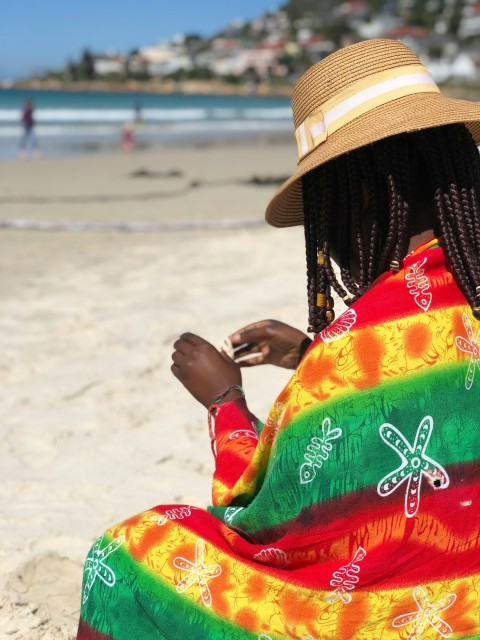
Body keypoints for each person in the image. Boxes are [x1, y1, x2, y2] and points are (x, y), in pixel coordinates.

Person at [76, 39, 480, 640]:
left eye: (324, 206)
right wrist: (307, 356)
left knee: (126, 555)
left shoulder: (352, 351)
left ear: (360, 198)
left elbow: (273, 522)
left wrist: (225, 405)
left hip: (407, 620)